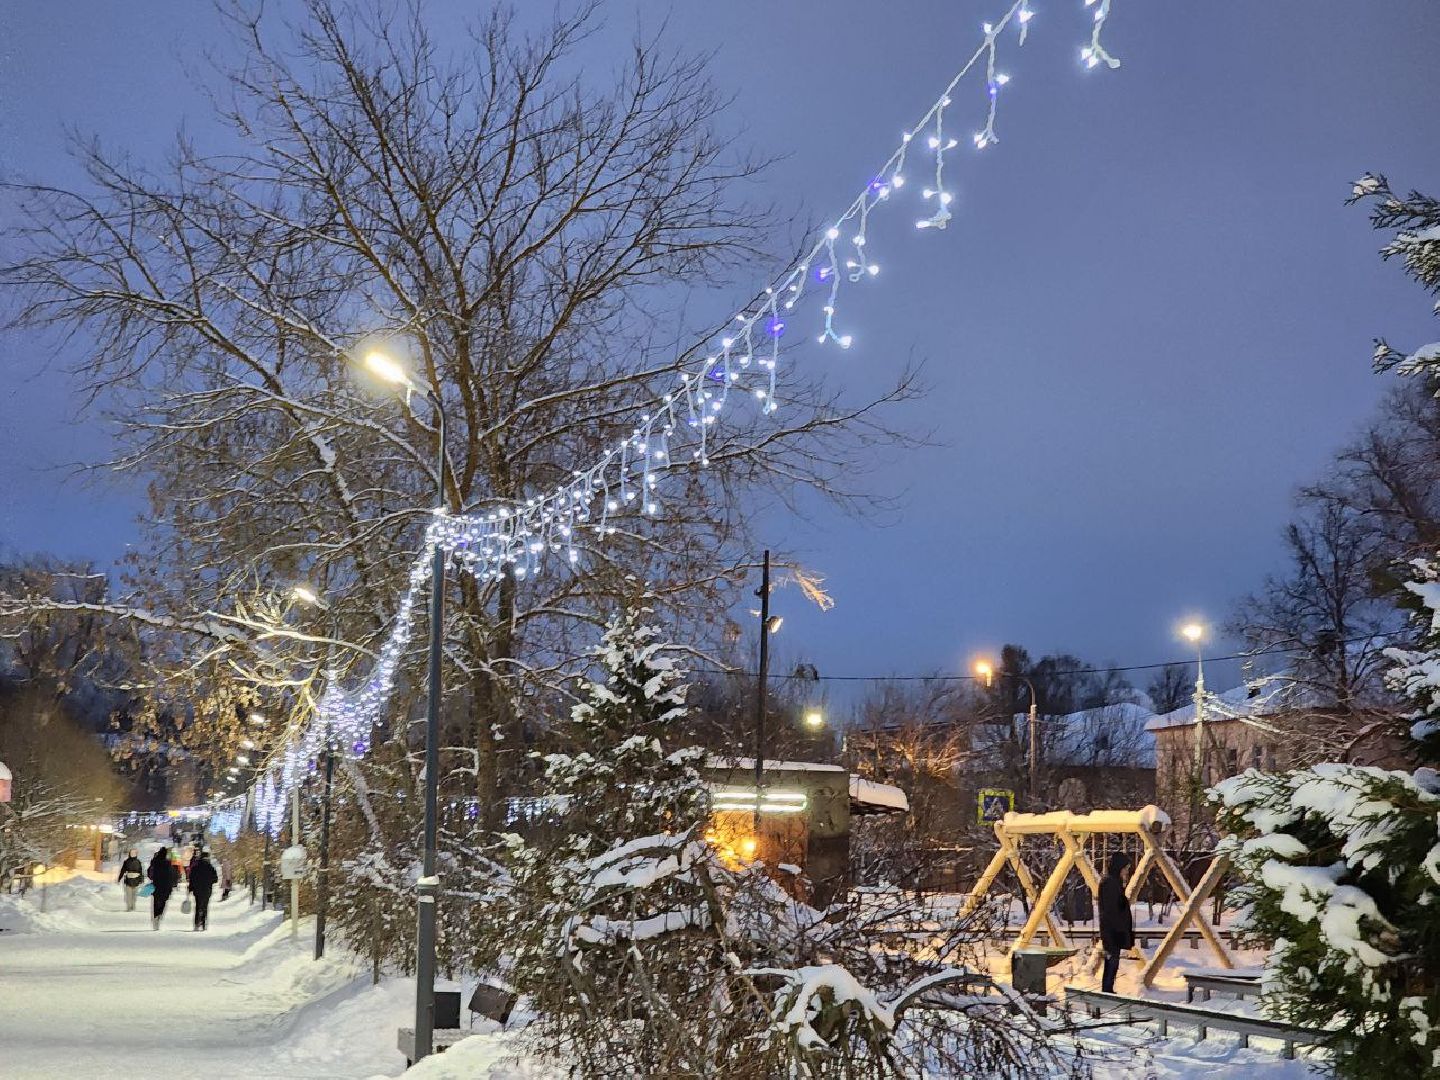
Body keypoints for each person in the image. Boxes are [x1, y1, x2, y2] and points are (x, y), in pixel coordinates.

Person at [1098, 851, 1134, 994]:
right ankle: (1107, 991)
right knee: (1111, 962)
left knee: (1113, 962)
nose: (1126, 871)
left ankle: (1108, 990)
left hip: (1114, 930)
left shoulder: (1114, 882)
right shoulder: (1110, 883)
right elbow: (1112, 910)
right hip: (1112, 931)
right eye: (1125, 868)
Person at [147, 846, 179, 929]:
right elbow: (173, 874)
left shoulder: (154, 862)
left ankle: (155, 916)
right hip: (166, 886)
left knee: (156, 902)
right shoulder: (168, 863)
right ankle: (159, 915)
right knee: (163, 901)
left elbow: (149, 873)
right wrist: (174, 883)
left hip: (156, 885)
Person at [188, 849, 219, 931]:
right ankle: (204, 923)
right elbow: (215, 879)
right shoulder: (210, 867)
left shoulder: (195, 867)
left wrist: (190, 888)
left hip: (197, 890)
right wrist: (209, 881)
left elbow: (192, 878)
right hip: (207, 889)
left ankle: (196, 923)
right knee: (205, 906)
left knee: (198, 905)